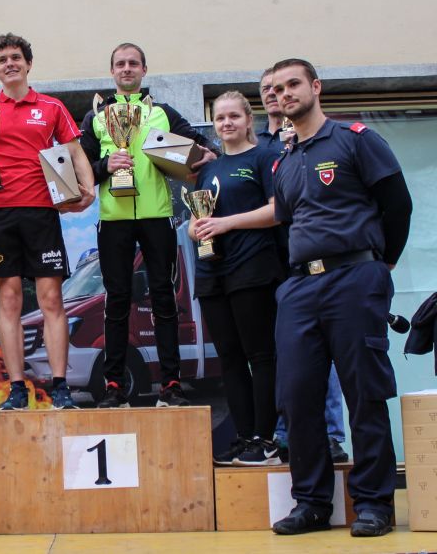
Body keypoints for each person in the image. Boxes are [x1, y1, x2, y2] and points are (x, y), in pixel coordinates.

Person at [270, 58, 412, 537]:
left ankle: (374, 503)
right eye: (277, 89)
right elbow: (288, 222)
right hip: (300, 288)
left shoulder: (356, 139)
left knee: (364, 393)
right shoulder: (284, 161)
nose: (285, 94)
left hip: (355, 277)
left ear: (315, 87)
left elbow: (398, 204)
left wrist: (382, 263)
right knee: (297, 397)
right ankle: (312, 503)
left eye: (293, 84)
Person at [79, 42, 217, 408]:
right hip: (114, 220)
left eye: (133, 63)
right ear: (112, 71)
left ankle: (171, 384)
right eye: (120, 64)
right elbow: (81, 171)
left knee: (163, 298)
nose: (127, 68)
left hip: (157, 216)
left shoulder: (163, 113)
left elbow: (200, 145)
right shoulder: (96, 116)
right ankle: (113, 386)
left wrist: (204, 155)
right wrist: (104, 166)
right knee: (116, 301)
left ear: (144, 70)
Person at [0, 33, 95, 410]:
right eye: (2, 60)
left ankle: (60, 387)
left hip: (42, 211)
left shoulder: (52, 107)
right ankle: (16, 389)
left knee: (51, 298)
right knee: (8, 299)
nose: (9, 64)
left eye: (15, 57)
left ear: (28, 64)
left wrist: (88, 188)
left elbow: (74, 151)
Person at [257, 68, 350, 464]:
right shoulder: (263, 146)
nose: (275, 94)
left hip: (322, 265)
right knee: (289, 361)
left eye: (284, 87)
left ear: (311, 88)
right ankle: (285, 435)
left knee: (329, 355)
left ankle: (331, 434)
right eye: (268, 89)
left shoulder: (319, 140)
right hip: (277, 266)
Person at [188, 91, 283, 465]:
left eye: (233, 116)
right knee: (228, 358)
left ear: (248, 120)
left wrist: (226, 224)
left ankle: (266, 439)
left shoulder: (264, 157)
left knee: (260, 355)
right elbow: (195, 223)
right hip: (212, 272)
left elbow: (277, 211)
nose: (226, 123)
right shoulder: (208, 169)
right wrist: (200, 229)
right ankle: (244, 439)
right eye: (220, 118)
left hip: (252, 268)